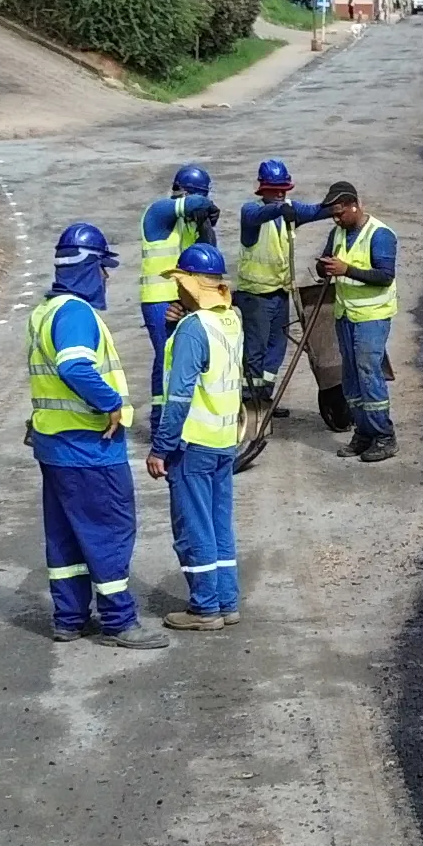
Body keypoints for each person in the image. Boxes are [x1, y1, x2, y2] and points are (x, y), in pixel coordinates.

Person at [25, 222, 162, 650]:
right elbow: (75, 367)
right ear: (89, 268)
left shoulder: (46, 311)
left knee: (66, 534)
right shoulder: (76, 314)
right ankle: (120, 621)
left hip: (55, 446)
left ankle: (69, 618)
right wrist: (111, 404)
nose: (106, 277)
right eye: (104, 268)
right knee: (109, 532)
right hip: (90, 449)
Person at [146, 244, 245, 631]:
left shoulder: (193, 328)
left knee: (193, 529)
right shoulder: (230, 318)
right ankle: (227, 602)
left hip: (192, 445)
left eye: (179, 283)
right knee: (219, 526)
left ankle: (204, 608)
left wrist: (161, 447)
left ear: (190, 284)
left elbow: (179, 395)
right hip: (223, 441)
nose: (175, 290)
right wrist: (176, 327)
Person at [317, 179, 400, 462]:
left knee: (368, 372)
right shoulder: (337, 233)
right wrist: (323, 267)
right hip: (345, 314)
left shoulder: (380, 235)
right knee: (350, 375)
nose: (337, 219)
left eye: (340, 213)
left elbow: (385, 275)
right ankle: (363, 432)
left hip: (372, 317)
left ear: (354, 205)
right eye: (333, 215)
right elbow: (327, 261)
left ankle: (384, 435)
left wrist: (346, 270)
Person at [234, 158, 329, 404]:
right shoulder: (251, 212)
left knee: (277, 348)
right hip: (255, 296)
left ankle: (265, 398)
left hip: (279, 293)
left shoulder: (289, 211)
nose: (279, 194)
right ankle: (249, 402)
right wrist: (279, 209)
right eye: (274, 190)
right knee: (255, 350)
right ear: (262, 189)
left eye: (283, 190)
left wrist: (335, 205)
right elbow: (258, 215)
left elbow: (314, 211)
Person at [137, 164, 219, 396]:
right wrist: (207, 206)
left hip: (186, 299)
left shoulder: (190, 223)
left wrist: (205, 224)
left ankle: (173, 408)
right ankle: (160, 413)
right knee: (166, 357)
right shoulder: (158, 213)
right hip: (159, 300)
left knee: (182, 356)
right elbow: (195, 203)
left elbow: (210, 252)